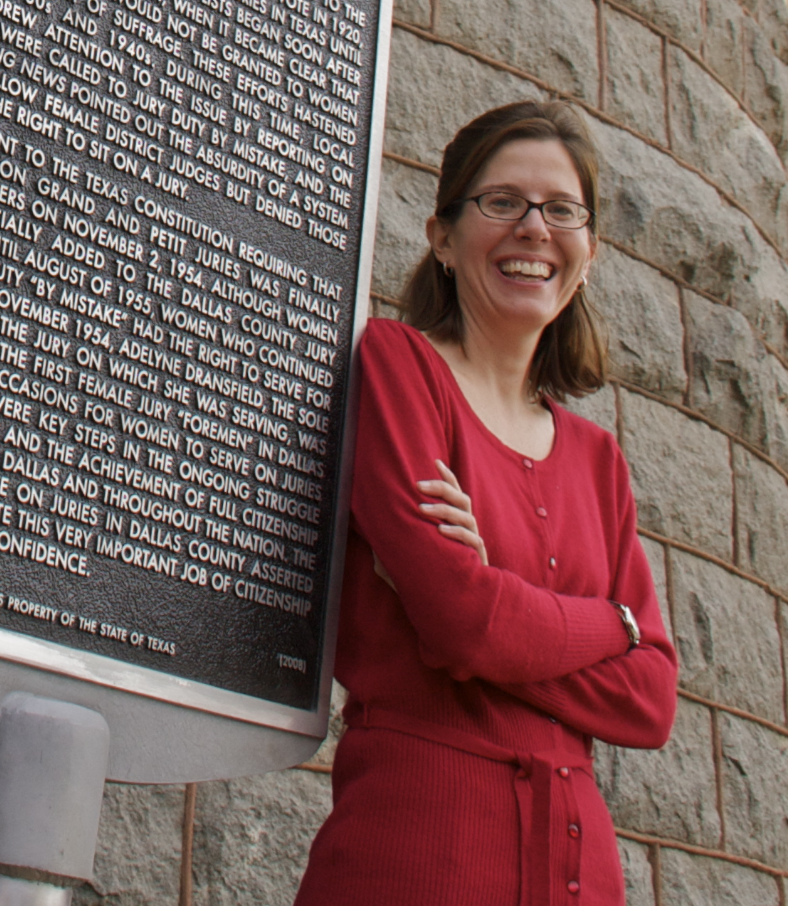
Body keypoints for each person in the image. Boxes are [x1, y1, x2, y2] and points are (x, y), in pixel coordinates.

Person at [294, 100, 678, 906]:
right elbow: (461, 618)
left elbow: (651, 700)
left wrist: (489, 612)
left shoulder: (598, 459)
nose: (535, 228)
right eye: (502, 202)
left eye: (562, 209)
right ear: (442, 235)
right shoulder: (398, 367)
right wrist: (613, 625)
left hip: (580, 869)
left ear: (590, 248)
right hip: (418, 853)